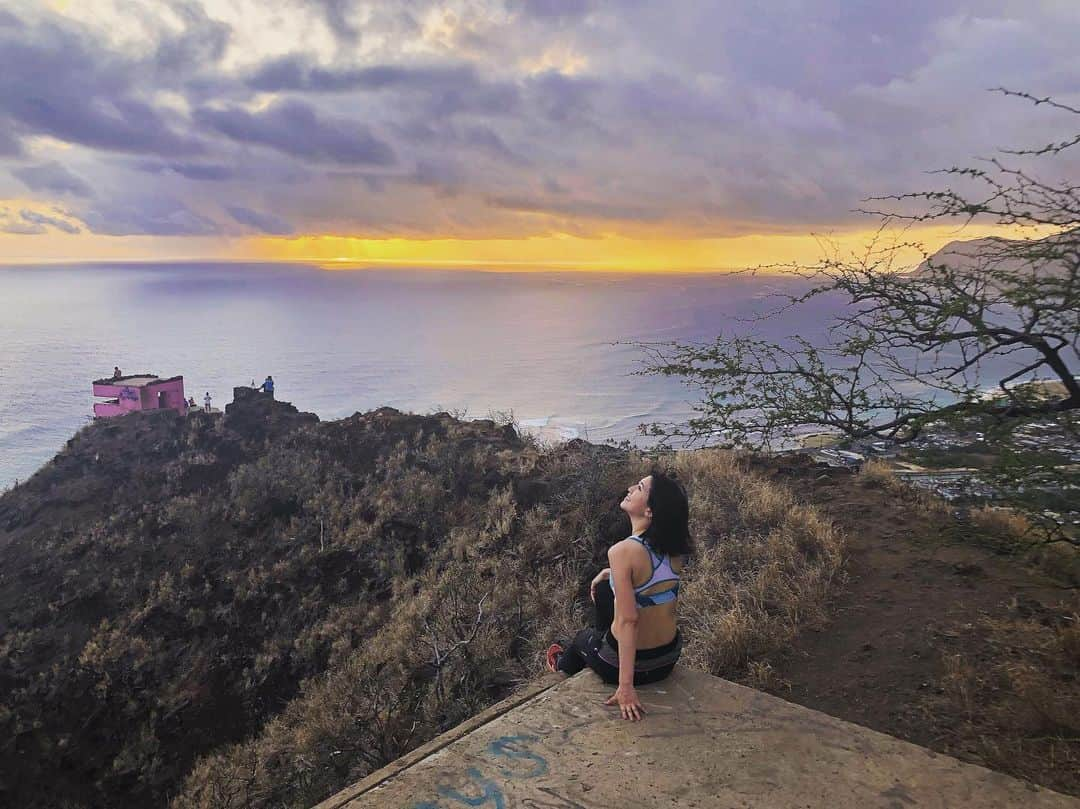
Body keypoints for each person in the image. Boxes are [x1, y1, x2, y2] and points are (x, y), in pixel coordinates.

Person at [546, 470, 692, 722]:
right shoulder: (675, 549)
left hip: (634, 669)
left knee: (582, 640)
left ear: (650, 511)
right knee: (605, 588)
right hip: (668, 659)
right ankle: (603, 637)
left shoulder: (622, 551)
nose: (630, 488)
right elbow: (652, 582)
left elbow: (629, 621)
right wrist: (610, 573)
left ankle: (559, 665)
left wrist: (625, 687)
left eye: (639, 488)